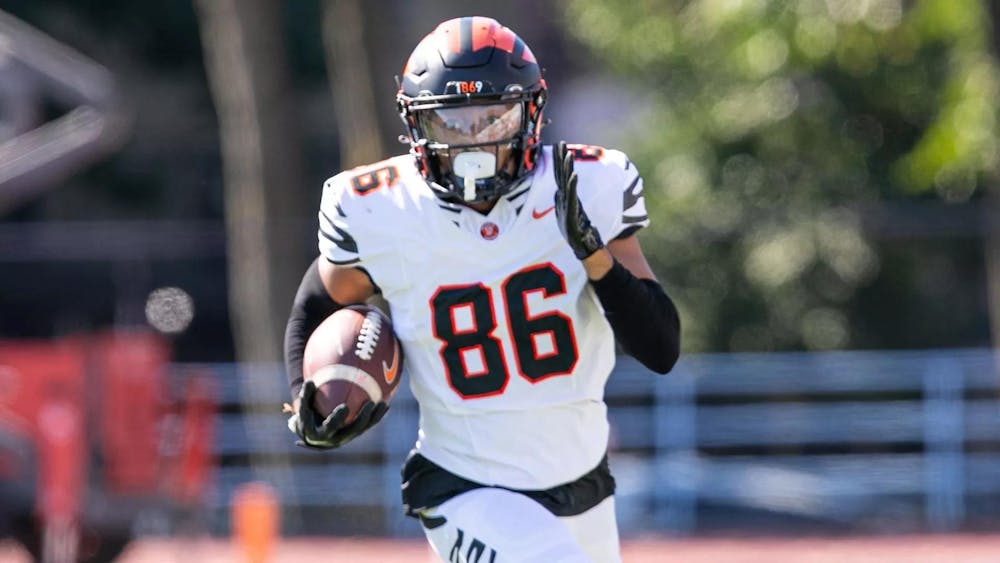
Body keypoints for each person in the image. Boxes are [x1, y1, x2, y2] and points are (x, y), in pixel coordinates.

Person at [283, 16, 680, 562]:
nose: (474, 142)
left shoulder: (587, 185)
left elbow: (660, 350)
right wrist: (307, 396)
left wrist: (595, 257)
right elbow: (318, 299)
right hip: (462, 487)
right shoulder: (380, 208)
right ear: (417, 128)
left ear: (530, 114)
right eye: (451, 123)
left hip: (582, 483)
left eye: (492, 119)